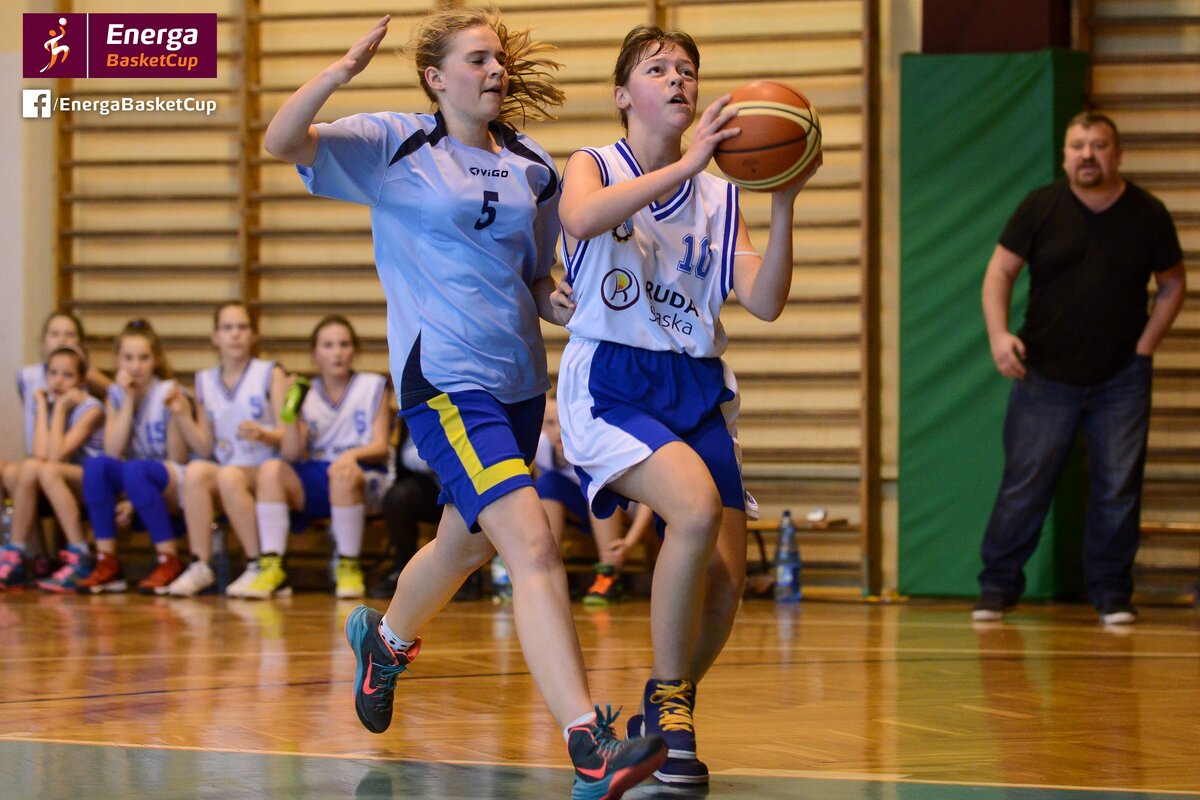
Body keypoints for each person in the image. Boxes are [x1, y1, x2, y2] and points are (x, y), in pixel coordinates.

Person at [264, 7, 666, 797]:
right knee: (533, 545)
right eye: (477, 59)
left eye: (498, 59)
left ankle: (385, 642)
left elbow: (534, 279)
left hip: (518, 384)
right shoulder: (393, 145)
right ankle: (588, 744)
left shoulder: (532, 165)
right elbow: (282, 142)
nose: (495, 71)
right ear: (435, 77)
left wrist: (565, 304)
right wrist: (340, 72)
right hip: (446, 383)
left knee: (467, 545)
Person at [553, 25, 819, 786]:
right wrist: (688, 164)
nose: (678, 79)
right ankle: (673, 709)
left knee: (726, 588)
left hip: (696, 385)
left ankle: (659, 707)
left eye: (687, 70)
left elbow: (764, 301)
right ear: (622, 94)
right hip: (613, 379)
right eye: (658, 68)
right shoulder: (595, 164)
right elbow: (579, 220)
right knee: (695, 510)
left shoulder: (721, 194)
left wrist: (784, 202)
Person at [973, 112, 1186, 626]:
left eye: (1098, 145)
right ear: (1065, 155)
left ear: (1118, 153)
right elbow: (999, 272)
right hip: (1043, 375)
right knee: (1024, 486)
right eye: (1077, 145)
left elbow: (1173, 283)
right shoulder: (1040, 206)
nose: (1087, 154)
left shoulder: (1149, 213)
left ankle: (1112, 595)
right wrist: (999, 336)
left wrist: (1145, 347)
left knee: (1117, 490)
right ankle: (997, 589)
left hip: (1122, 379)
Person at [249, 315, 392, 599]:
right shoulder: (305, 391)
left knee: (342, 473)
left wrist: (350, 456)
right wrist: (290, 411)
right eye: (328, 345)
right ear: (314, 353)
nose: (337, 352)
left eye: (344, 344)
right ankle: (272, 564)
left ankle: (348, 565)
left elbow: (381, 446)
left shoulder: (373, 386)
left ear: (355, 350)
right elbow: (292, 453)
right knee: (270, 470)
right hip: (319, 474)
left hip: (363, 474)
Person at [165, 302, 286, 597]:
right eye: (227, 328)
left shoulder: (270, 373)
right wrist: (182, 415)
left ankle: (256, 564)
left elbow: (288, 433)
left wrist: (264, 434)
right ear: (215, 337)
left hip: (266, 470)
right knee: (196, 470)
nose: (235, 334)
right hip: (228, 469)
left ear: (253, 336)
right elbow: (205, 445)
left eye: (242, 327)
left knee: (229, 475)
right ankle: (200, 564)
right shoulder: (205, 380)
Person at [75, 319, 192, 594]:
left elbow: (178, 457)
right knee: (96, 466)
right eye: (128, 358)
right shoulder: (116, 395)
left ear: (156, 359)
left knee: (135, 470)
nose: (135, 366)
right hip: (135, 481)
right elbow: (112, 452)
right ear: (117, 360)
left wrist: (134, 499)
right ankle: (107, 561)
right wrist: (127, 400)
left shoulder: (168, 392)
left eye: (143, 358)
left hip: (173, 480)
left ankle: (169, 559)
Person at [1, 344, 104, 589]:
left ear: (81, 381)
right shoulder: (48, 403)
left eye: (67, 375)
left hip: (95, 482)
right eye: (53, 373)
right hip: (59, 478)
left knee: (45, 470)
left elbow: (56, 456)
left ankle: (81, 553)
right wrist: (41, 406)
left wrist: (58, 409)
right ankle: (18, 552)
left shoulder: (91, 408)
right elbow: (39, 454)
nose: (58, 381)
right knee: (28, 467)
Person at [536, 396, 654, 605]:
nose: (557, 430)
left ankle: (609, 573)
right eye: (550, 423)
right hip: (582, 511)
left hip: (626, 511)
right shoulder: (541, 448)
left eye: (563, 422)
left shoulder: (597, 445)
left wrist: (630, 542)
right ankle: (549, 572)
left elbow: (649, 498)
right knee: (547, 482)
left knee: (598, 488)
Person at [367, 429, 442, 600]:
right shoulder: (428, 412)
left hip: (476, 480)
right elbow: (408, 454)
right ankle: (404, 571)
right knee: (398, 498)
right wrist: (440, 456)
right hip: (435, 480)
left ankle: (469, 578)